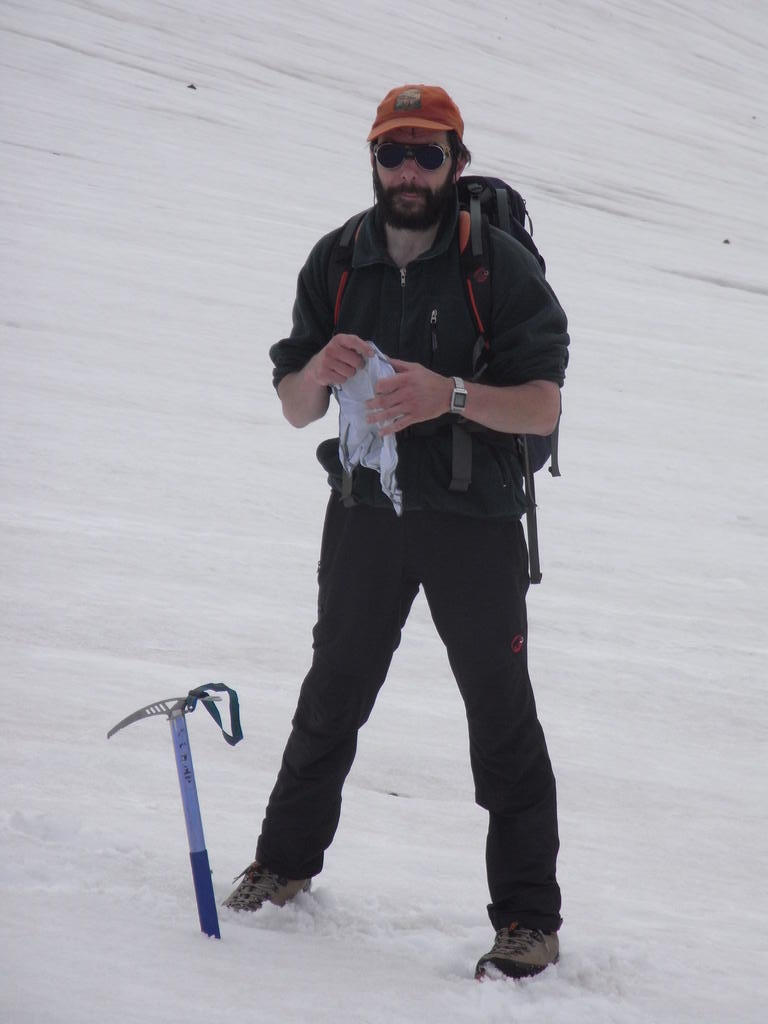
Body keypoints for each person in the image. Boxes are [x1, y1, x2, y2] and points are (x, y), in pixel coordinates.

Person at [224, 84, 569, 980]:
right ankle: (283, 864)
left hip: (474, 523)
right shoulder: (339, 259)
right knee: (332, 692)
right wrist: (316, 368)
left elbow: (542, 404)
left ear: (456, 161)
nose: (408, 171)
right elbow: (295, 407)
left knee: (500, 715)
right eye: (393, 152)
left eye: (427, 153)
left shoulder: (496, 267)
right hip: (365, 517)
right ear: (373, 160)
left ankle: (528, 919)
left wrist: (447, 395)